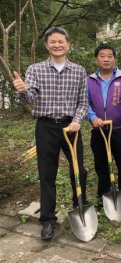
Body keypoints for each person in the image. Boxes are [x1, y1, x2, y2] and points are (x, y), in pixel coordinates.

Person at [12, 27, 88, 240]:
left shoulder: (79, 70)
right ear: (47, 45)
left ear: (68, 44)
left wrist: (76, 121)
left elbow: (83, 102)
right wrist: (22, 90)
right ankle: (47, 220)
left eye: (60, 42)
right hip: (45, 126)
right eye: (52, 42)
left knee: (78, 171)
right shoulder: (35, 69)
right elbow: (30, 98)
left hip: (70, 127)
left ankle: (80, 207)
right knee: (47, 174)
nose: (57, 45)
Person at [87, 43, 121, 209]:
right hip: (99, 130)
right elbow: (84, 103)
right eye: (102, 56)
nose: (106, 59)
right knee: (101, 165)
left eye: (109, 56)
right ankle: (104, 197)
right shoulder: (89, 80)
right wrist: (92, 117)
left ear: (114, 59)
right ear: (97, 59)